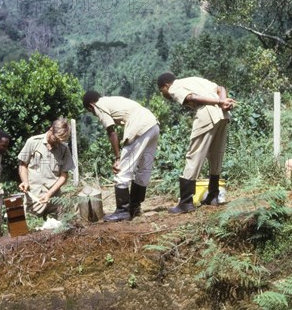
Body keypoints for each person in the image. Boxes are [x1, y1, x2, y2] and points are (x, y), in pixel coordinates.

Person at [157, 72, 235, 213]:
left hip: (208, 112)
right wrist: (223, 102)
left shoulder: (174, 87)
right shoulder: (193, 80)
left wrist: (219, 102)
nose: (163, 94)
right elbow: (221, 88)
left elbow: (191, 97)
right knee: (216, 155)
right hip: (223, 115)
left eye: (161, 90)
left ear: (166, 85)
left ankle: (186, 202)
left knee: (194, 155)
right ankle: (213, 196)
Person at [83, 91, 160, 221]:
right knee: (144, 169)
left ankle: (122, 211)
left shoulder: (99, 106)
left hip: (139, 125)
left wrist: (118, 158)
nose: (94, 114)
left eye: (91, 111)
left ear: (91, 105)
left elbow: (111, 132)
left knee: (122, 172)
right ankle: (134, 207)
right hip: (153, 124)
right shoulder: (111, 100)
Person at [18, 118, 75, 220]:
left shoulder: (64, 149)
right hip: (34, 197)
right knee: (31, 228)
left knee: (58, 230)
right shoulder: (32, 142)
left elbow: (64, 175)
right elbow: (23, 165)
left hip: (54, 198)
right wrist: (25, 182)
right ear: (51, 130)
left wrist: (49, 194)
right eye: (56, 139)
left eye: (60, 140)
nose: (57, 142)